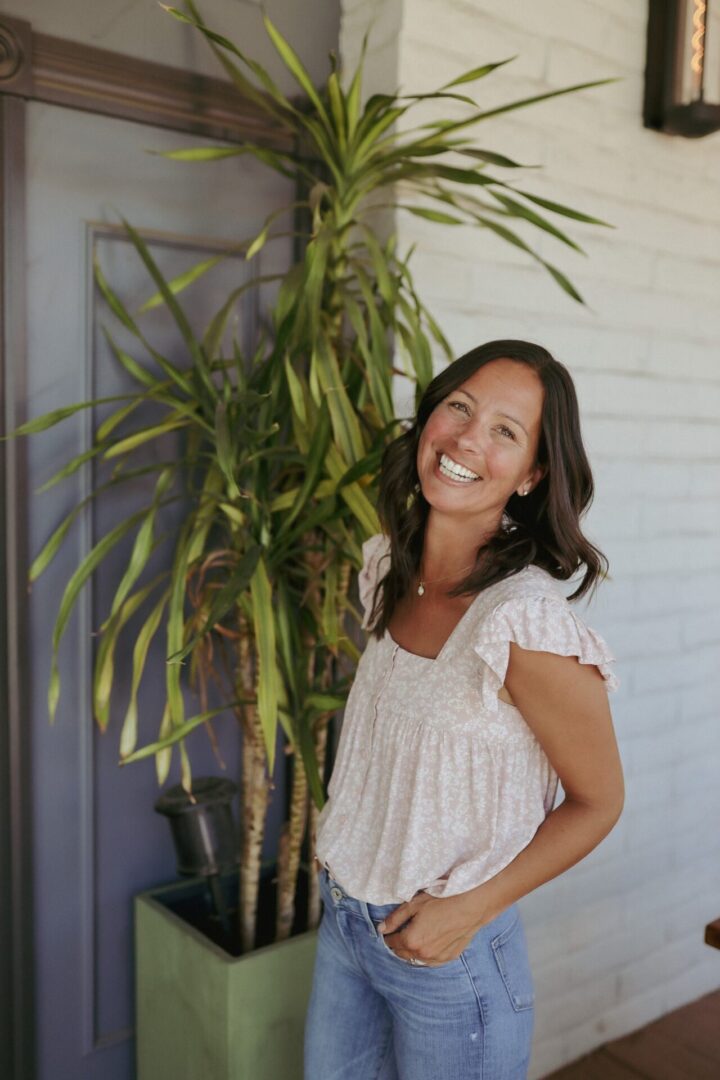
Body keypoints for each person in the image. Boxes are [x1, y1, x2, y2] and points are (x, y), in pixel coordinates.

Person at [304, 340, 625, 1080]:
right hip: (346, 926)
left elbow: (599, 802)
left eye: (506, 432)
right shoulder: (389, 567)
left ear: (531, 476)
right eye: (459, 407)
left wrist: (466, 910)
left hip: (447, 960)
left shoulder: (522, 622)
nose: (467, 440)